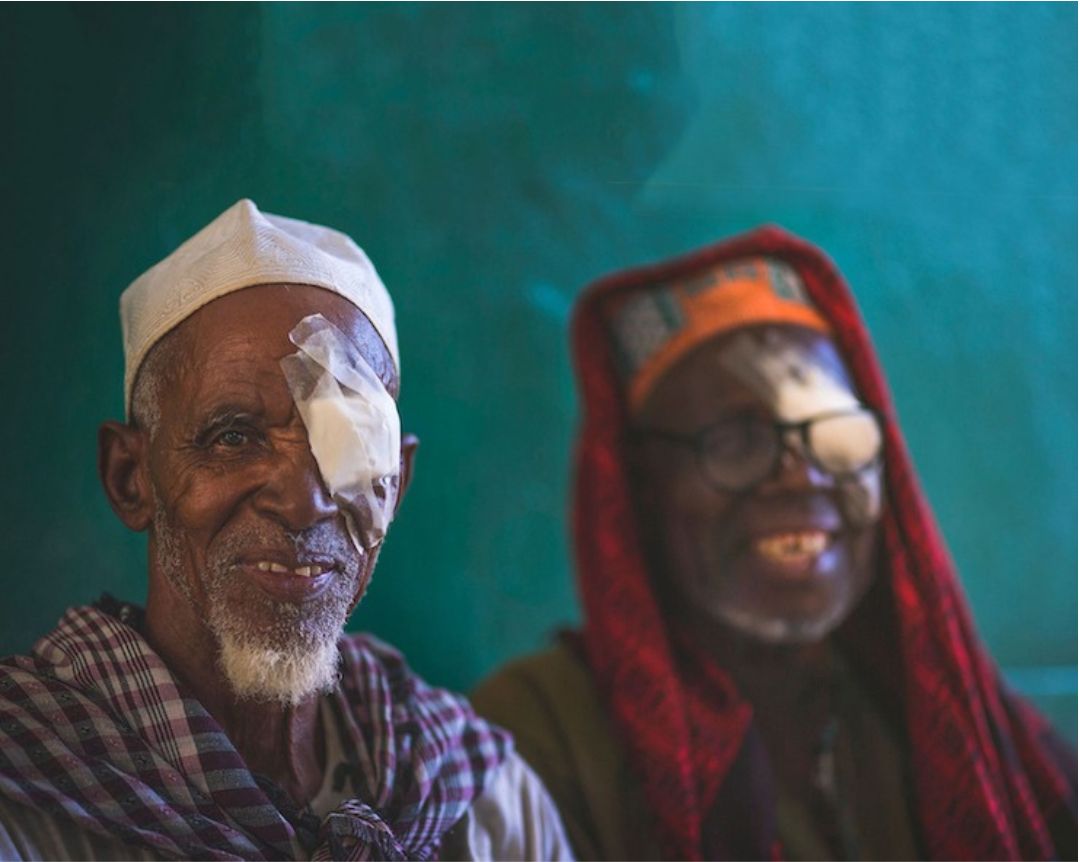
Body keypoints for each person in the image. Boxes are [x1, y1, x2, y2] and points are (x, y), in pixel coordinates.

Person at [472, 226, 1076, 860]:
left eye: (838, 434)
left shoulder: (950, 727)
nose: (803, 473)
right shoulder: (534, 737)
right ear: (641, 489)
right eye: (736, 441)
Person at [0, 200, 573, 861]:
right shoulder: (27, 797)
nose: (305, 504)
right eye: (234, 436)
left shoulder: (480, 800)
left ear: (396, 484)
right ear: (132, 478)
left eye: (350, 444)